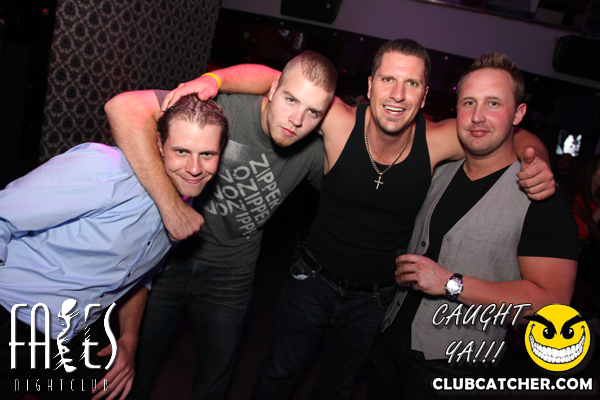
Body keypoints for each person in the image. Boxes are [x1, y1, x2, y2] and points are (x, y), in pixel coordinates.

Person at [139, 39, 556, 399]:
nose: (397, 94)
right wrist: (214, 81)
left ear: (424, 95)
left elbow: (502, 129)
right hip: (310, 282)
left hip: (375, 300)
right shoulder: (337, 121)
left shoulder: (437, 139)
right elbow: (281, 80)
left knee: (338, 389)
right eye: (388, 79)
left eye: (411, 83)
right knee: (276, 376)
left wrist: (534, 156)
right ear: (370, 86)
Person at [105, 51, 337, 399]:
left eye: (313, 112)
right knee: (137, 362)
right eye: (290, 100)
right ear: (273, 87)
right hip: (168, 258)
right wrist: (171, 207)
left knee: (215, 379)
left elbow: (354, 192)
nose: (297, 119)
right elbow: (122, 108)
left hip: (233, 272)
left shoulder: (314, 153)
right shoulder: (223, 110)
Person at [367, 53, 578, 399]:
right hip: (389, 342)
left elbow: (552, 306)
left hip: (457, 366)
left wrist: (450, 283)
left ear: (518, 114)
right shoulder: (440, 170)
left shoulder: (540, 196)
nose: (478, 116)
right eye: (469, 103)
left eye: (493, 103)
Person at [0, 95, 227, 400]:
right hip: (10, 316)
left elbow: (139, 276)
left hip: (70, 336)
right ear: (159, 144)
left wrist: (130, 338)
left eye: (207, 154)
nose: (195, 168)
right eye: (181, 151)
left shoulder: (185, 205)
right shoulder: (105, 168)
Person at [565, 155, 600, 316]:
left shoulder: (594, 200)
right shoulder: (579, 199)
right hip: (573, 263)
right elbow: (581, 234)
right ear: (591, 173)